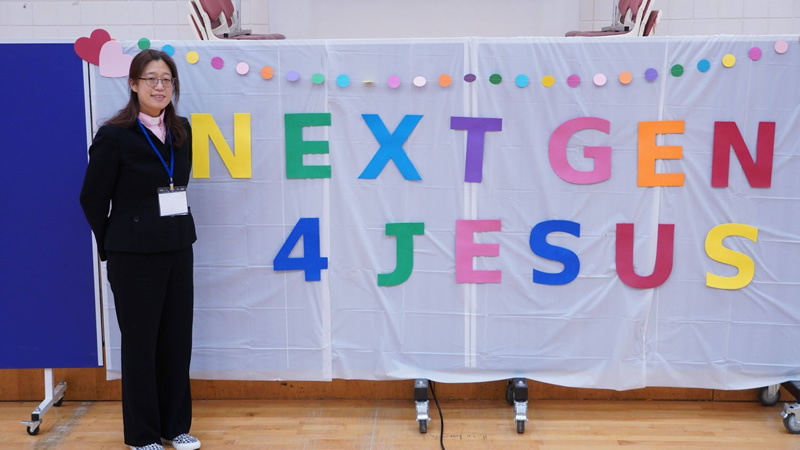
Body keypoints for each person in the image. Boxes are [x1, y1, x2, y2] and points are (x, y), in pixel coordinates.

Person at [80, 49, 201, 450]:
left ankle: (175, 426)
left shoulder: (181, 130)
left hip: (177, 247)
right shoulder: (115, 135)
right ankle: (143, 435)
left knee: (176, 340)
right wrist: (114, 245)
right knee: (140, 344)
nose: (159, 86)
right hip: (133, 257)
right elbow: (92, 198)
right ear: (133, 84)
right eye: (151, 78)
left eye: (166, 79)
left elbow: (179, 184)